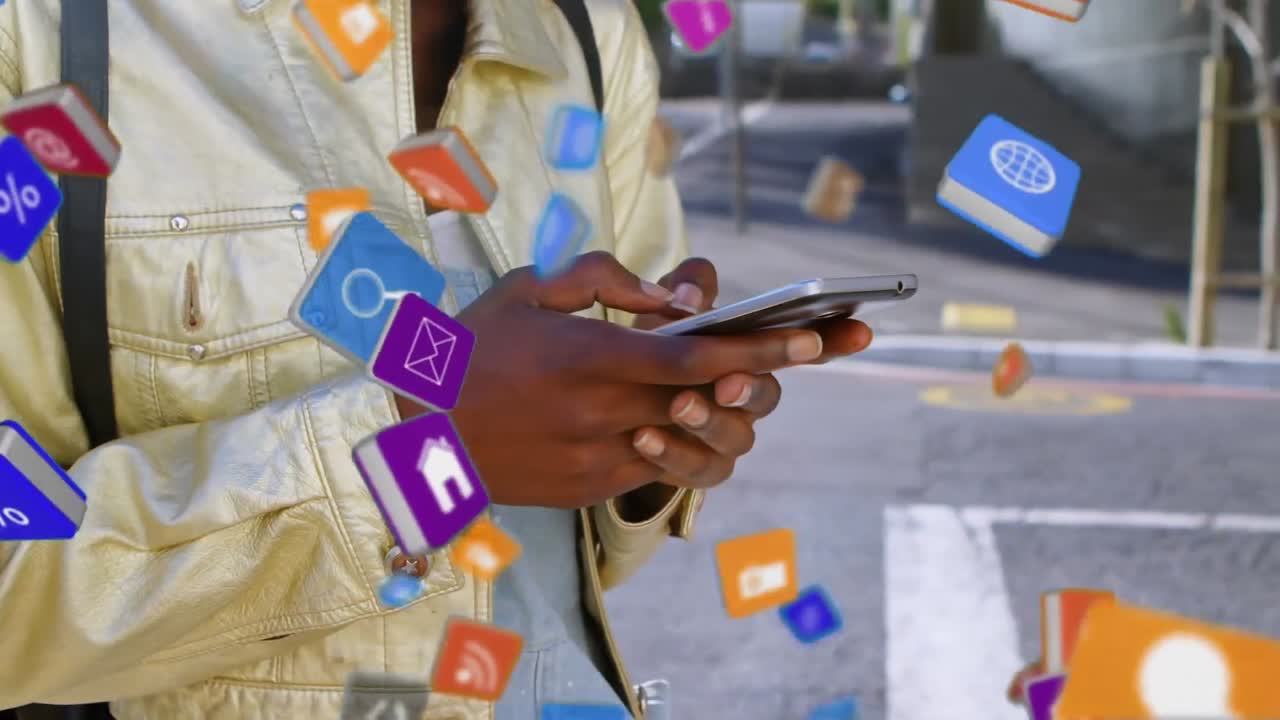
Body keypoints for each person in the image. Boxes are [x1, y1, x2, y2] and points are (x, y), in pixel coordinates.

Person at [0, 1, 873, 718]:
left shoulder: (585, 36)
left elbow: (576, 562)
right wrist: (420, 462)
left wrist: (653, 436)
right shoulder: (45, 37)